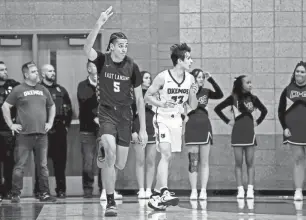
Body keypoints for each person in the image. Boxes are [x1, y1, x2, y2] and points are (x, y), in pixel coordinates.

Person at [83, 6, 147, 217]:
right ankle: (110, 201)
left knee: (119, 163)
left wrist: (143, 129)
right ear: (111, 47)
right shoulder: (102, 60)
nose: (124, 49)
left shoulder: (132, 67)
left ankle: (106, 154)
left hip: (125, 115)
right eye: (120, 45)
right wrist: (99, 23)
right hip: (107, 112)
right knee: (110, 155)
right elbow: (86, 49)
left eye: (126, 46)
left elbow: (139, 98)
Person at [144, 43, 199, 211]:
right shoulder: (163, 77)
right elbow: (147, 97)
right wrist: (161, 102)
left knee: (168, 158)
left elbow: (194, 106)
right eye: (188, 58)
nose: (191, 61)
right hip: (161, 118)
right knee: (166, 153)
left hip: (177, 121)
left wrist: (193, 93)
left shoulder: (190, 79)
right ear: (179, 60)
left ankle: (155, 196)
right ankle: (165, 192)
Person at [1, 61, 56, 203]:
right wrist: (11, 125)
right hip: (24, 136)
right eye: (33, 72)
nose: (37, 74)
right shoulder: (18, 89)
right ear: (26, 74)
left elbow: (52, 106)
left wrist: (50, 122)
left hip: (42, 135)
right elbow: (5, 106)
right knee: (19, 166)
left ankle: (44, 193)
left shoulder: (43, 89)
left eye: (37, 71)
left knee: (43, 166)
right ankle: (15, 193)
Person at [214, 75, 267, 199]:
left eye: (251, 82)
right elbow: (217, 109)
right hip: (237, 133)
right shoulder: (233, 98)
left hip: (249, 134)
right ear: (240, 85)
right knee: (238, 163)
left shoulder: (253, 98)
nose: (250, 85)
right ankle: (240, 189)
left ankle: (250, 189)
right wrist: (228, 121)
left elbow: (264, 111)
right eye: (248, 82)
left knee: (250, 163)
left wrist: (257, 122)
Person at [33, 64, 72, 198]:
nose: (53, 73)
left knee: (60, 162)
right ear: (43, 74)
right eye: (50, 71)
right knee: (41, 162)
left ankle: (61, 190)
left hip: (59, 129)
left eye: (54, 70)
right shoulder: (37, 90)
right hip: (42, 129)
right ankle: (40, 190)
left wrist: (66, 126)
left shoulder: (61, 90)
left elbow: (69, 109)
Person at [184, 69, 223, 200]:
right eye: (198, 77)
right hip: (191, 126)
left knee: (205, 161)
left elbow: (220, 94)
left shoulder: (206, 91)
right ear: (192, 79)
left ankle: (203, 191)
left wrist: (211, 79)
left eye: (202, 77)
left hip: (204, 126)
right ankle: (194, 190)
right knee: (193, 161)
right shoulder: (186, 91)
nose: (201, 79)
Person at [278, 61, 306, 201]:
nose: (299, 73)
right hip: (293, 131)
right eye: (297, 71)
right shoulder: (287, 90)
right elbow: (280, 111)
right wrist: (285, 128)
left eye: (302, 71)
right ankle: (298, 191)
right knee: (298, 159)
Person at [131, 71, 156, 199]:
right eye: (146, 78)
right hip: (138, 129)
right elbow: (130, 114)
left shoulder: (154, 94)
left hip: (152, 129)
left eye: (149, 78)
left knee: (151, 161)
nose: (149, 80)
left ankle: (149, 189)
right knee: (140, 160)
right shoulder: (134, 95)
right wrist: (133, 131)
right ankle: (141, 189)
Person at [0, 61, 19, 201]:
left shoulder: (13, 85)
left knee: (9, 162)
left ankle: (7, 190)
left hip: (8, 130)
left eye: (6, 69)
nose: (5, 72)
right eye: (1, 70)